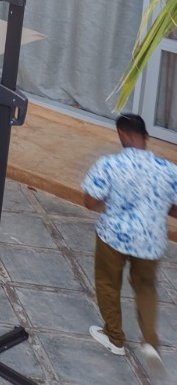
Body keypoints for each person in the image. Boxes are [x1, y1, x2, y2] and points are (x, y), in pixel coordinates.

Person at [84, 112, 177, 377]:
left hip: (113, 236)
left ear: (121, 134)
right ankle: (150, 343)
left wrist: (111, 206)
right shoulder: (169, 170)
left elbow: (90, 202)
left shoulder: (109, 165)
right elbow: (175, 210)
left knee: (108, 284)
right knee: (146, 288)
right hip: (151, 240)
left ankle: (114, 338)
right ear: (146, 137)